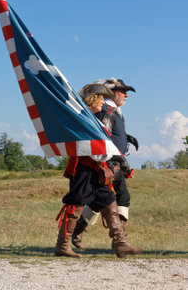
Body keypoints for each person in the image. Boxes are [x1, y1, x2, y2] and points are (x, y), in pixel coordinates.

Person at [54, 83, 142, 258]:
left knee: (110, 203)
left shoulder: (94, 120)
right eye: (101, 99)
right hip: (84, 169)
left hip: (98, 170)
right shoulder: (85, 121)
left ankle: (120, 243)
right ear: (93, 100)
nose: (103, 103)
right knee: (76, 204)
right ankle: (62, 245)